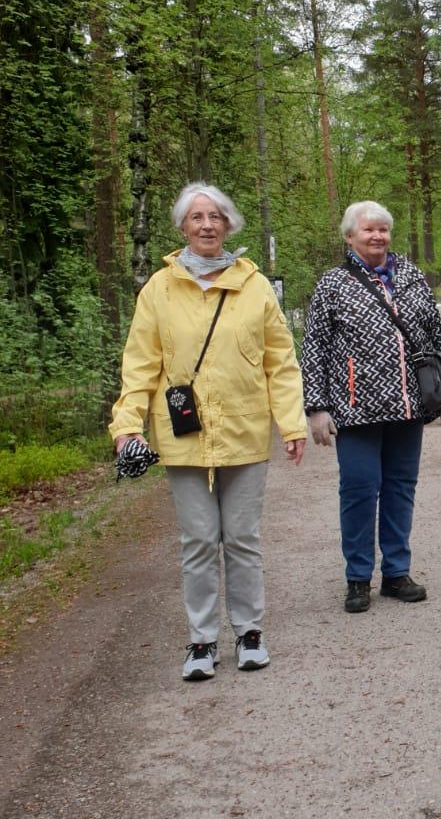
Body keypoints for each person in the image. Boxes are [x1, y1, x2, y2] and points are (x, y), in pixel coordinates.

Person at [110, 183, 307, 680]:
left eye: (215, 217)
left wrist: (291, 422)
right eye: (197, 217)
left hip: (244, 428)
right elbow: (139, 366)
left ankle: (249, 633)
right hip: (183, 435)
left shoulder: (254, 286)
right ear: (182, 227)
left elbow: (281, 362)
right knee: (198, 540)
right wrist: (127, 425)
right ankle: (201, 641)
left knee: (242, 537)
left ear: (228, 225)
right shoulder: (158, 289)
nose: (206, 225)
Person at [302, 202, 441, 614]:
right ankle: (358, 577)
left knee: (400, 488)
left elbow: (435, 336)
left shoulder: (411, 276)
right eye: (368, 230)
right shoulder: (332, 284)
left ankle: (396, 573)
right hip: (355, 408)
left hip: (409, 405)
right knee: (359, 490)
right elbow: (315, 347)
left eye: (383, 230)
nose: (377, 236)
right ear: (349, 236)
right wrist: (316, 407)